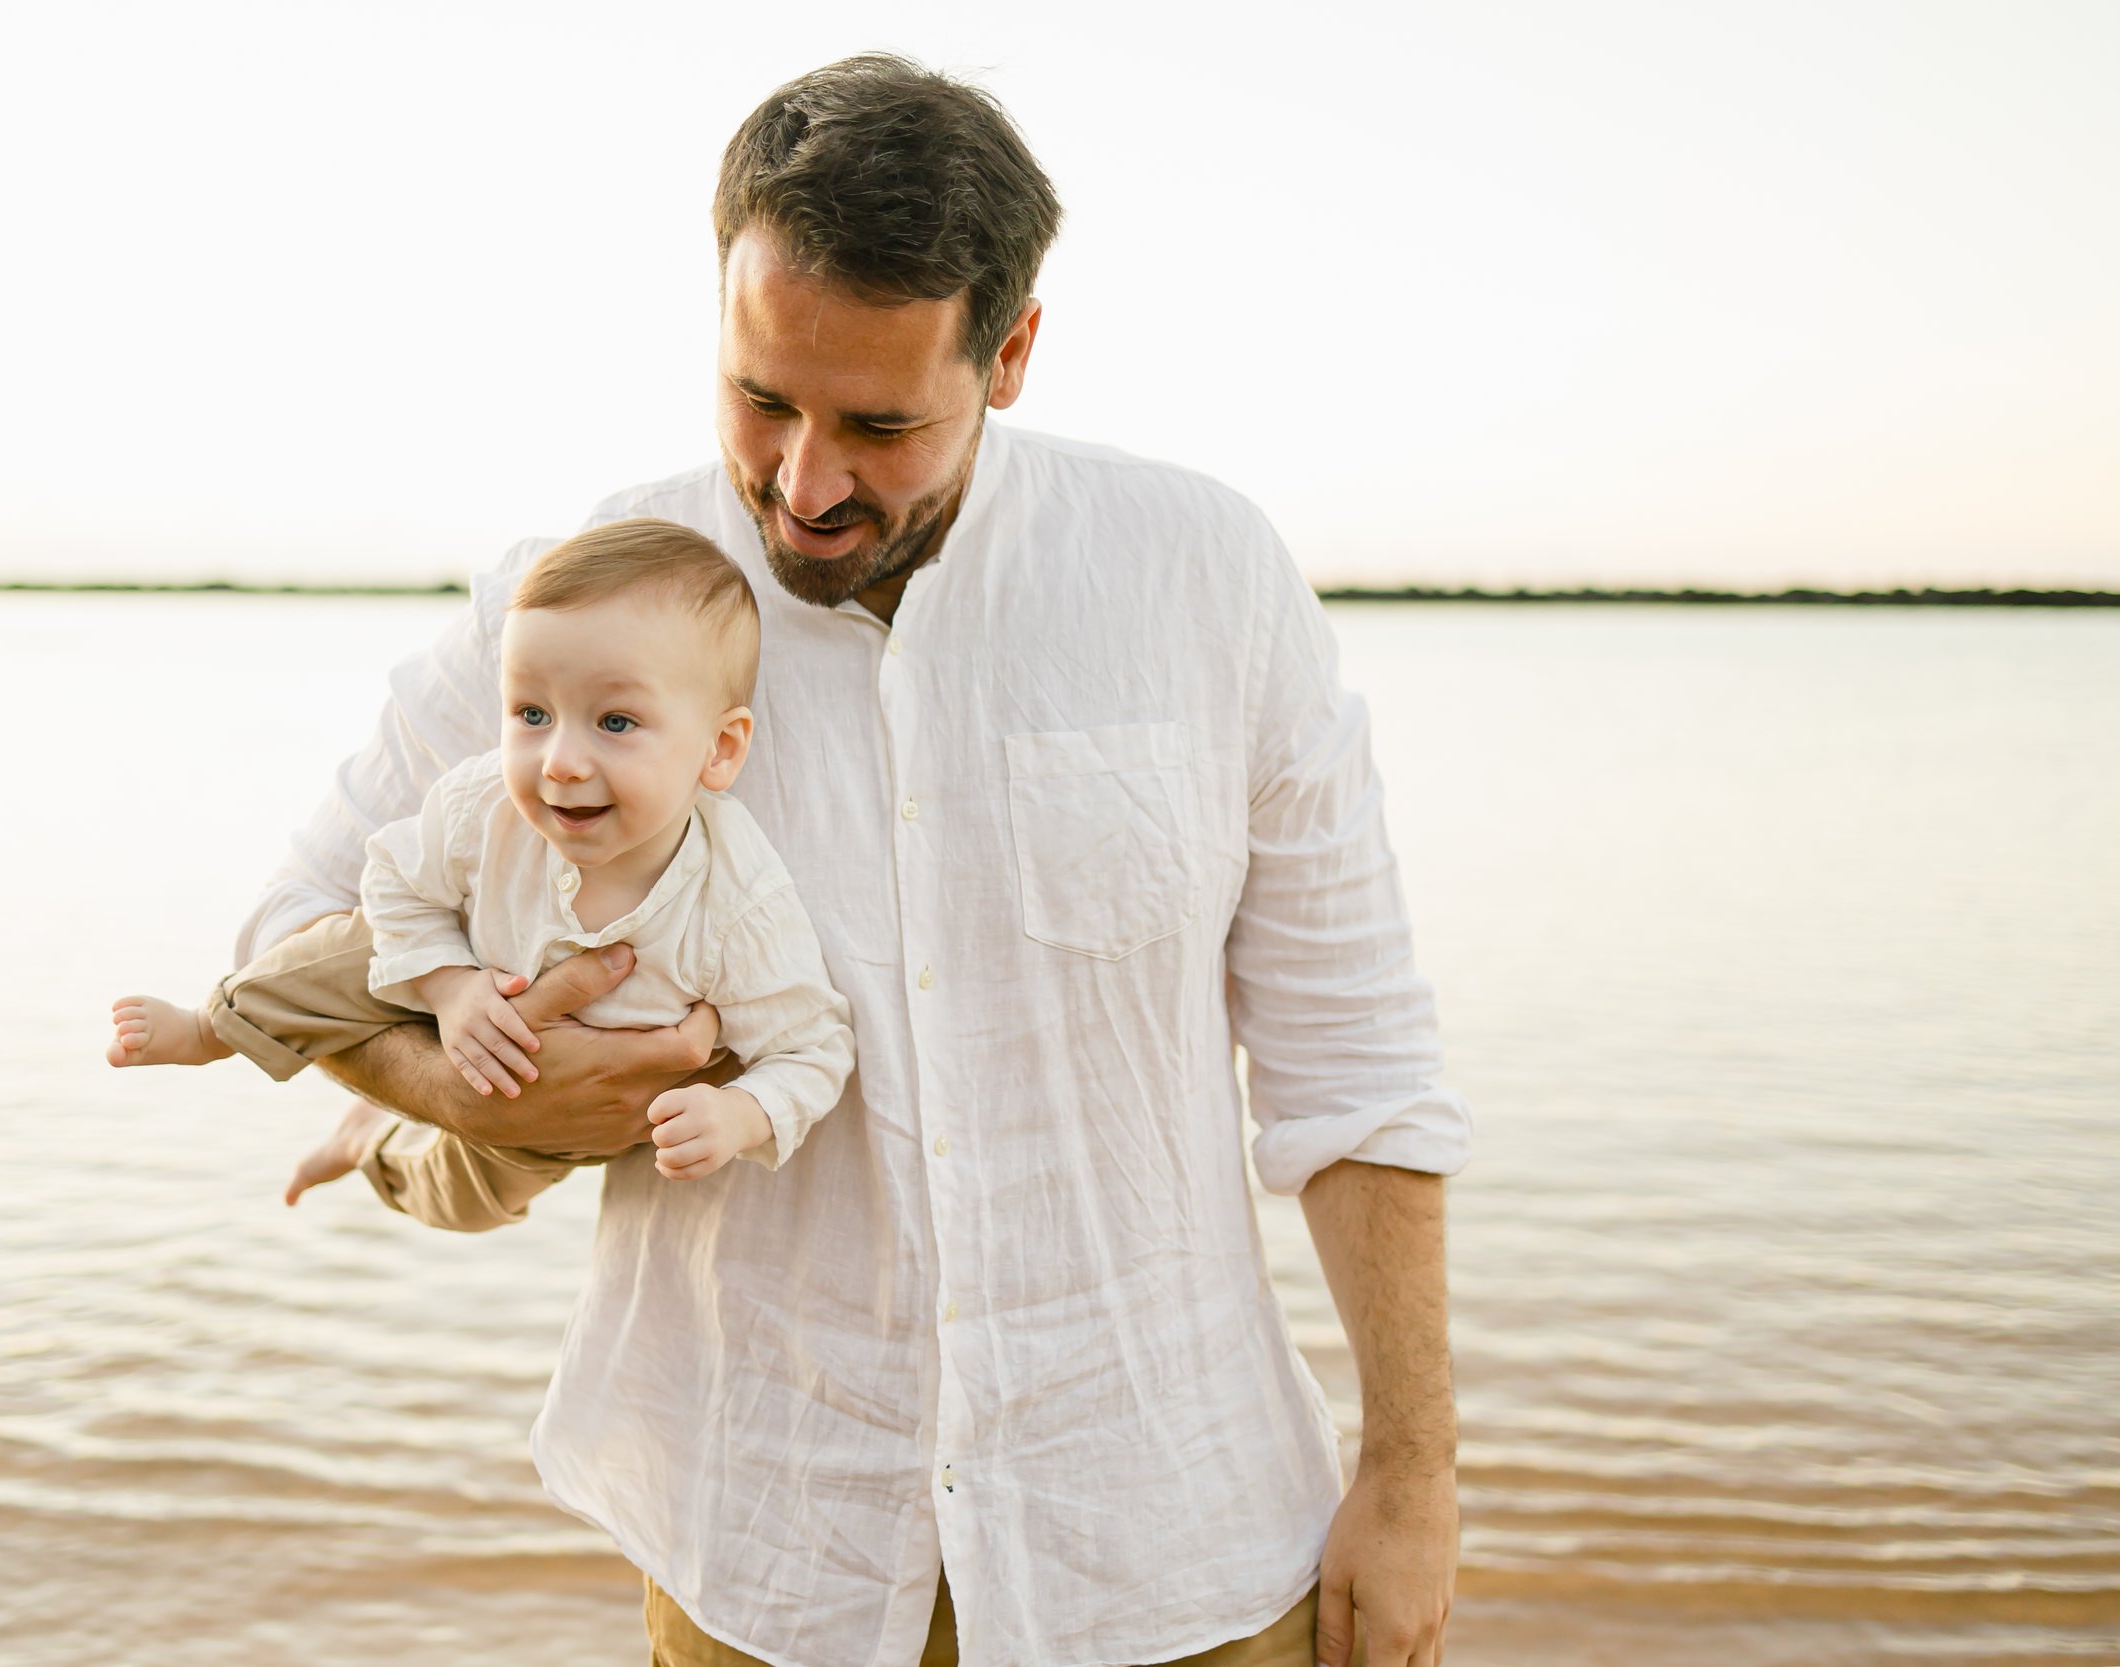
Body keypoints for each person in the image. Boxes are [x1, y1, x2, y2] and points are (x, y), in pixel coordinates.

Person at [250, 54, 1471, 1667]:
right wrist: (465, 1093)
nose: (804, 484)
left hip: (1175, 1546)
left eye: (879, 424)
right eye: (762, 398)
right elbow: (291, 928)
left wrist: (1412, 1471)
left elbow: (1355, 1061)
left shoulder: (1208, 575)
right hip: (767, 1546)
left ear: (1013, 351)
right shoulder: (583, 596)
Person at [106, 518, 854, 1186]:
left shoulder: (735, 900)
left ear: (719, 750)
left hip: (575, 1120)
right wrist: (450, 987)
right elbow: (392, 879)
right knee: (340, 953)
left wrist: (740, 1114)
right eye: (532, 712)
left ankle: (373, 1148)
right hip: (455, 961)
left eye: (616, 721)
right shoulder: (483, 808)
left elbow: (814, 1046)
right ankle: (213, 1027)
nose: (559, 759)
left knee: (468, 1196)